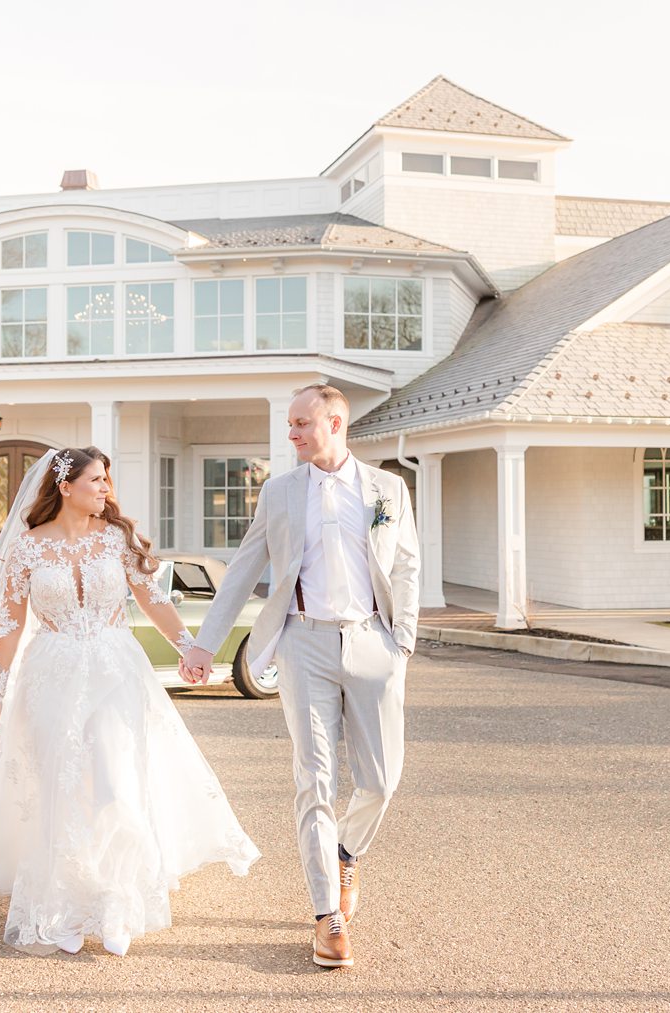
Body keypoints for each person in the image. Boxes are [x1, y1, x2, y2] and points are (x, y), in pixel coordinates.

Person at [0, 446, 259, 957]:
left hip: (116, 671)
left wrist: (190, 648)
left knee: (116, 784)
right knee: (64, 790)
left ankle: (118, 903)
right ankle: (65, 908)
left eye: (107, 479)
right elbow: (9, 625)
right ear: (66, 487)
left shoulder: (118, 539)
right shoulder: (27, 548)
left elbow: (153, 599)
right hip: (50, 675)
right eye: (96, 479)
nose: (105, 488)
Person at [181, 384, 420, 969]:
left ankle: (346, 852)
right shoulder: (281, 492)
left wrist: (403, 642)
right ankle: (327, 915)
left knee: (382, 780)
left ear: (334, 423)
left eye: (301, 423)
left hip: (373, 642)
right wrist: (206, 643)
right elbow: (243, 568)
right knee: (314, 778)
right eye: (289, 424)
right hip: (303, 643)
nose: (291, 434)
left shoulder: (388, 489)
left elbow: (407, 563)